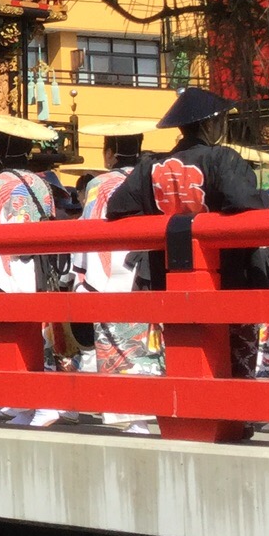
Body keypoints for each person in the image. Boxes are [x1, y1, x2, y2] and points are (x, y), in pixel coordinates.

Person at [105, 87, 269, 380]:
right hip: (227, 275)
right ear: (210, 123)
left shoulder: (150, 165)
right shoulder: (221, 159)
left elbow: (117, 208)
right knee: (234, 354)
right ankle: (235, 418)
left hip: (169, 275)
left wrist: (160, 225)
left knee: (182, 349)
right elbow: (246, 206)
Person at [0, 115, 68, 423]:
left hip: (7, 266)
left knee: (11, 335)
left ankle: (33, 402)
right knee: (38, 333)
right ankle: (29, 400)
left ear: (0, 152)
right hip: (37, 265)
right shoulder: (42, 183)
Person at [72, 123, 162, 386]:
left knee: (114, 339)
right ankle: (150, 402)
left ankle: (123, 409)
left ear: (110, 153)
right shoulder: (153, 177)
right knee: (149, 339)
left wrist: (82, 271)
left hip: (110, 268)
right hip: (148, 267)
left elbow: (90, 229)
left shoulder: (100, 183)